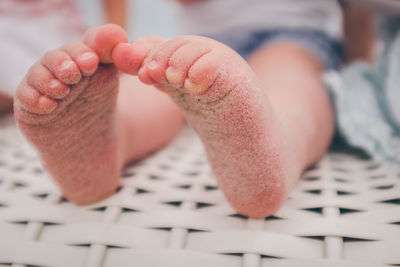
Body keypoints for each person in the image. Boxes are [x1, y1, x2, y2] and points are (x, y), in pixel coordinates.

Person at [13, 0, 345, 218]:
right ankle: (103, 139)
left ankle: (275, 151)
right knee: (160, 75)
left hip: (295, 35)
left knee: (290, 81)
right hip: (201, 42)